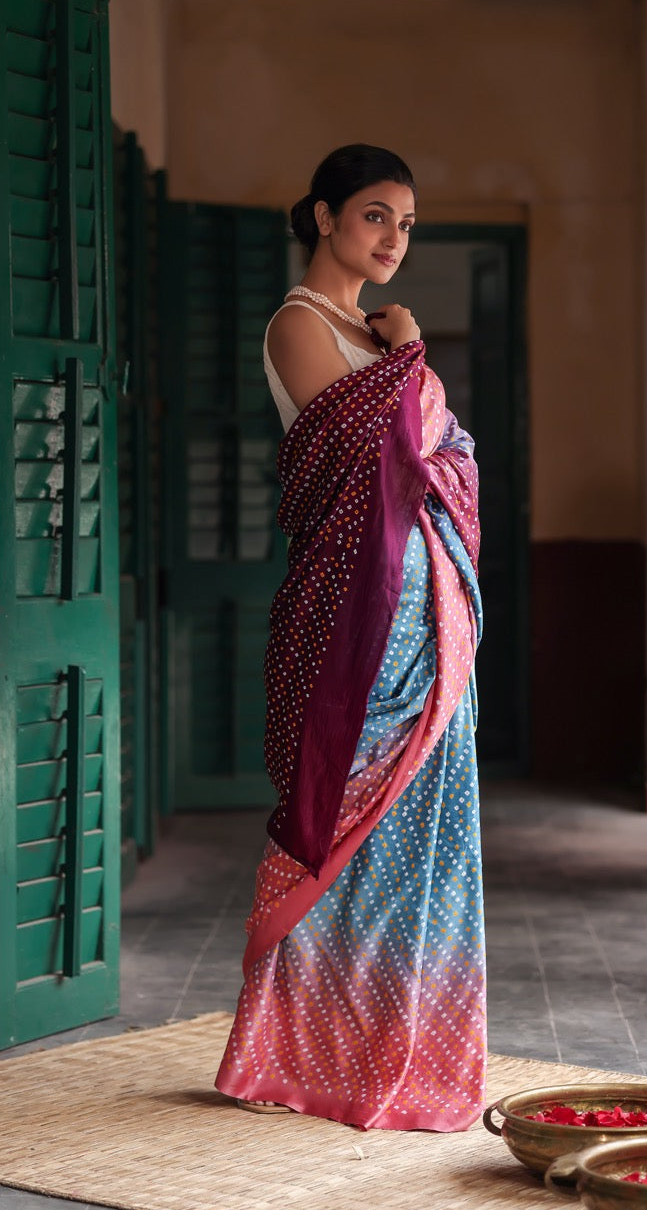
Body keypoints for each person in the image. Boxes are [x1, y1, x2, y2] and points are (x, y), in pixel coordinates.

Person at [215, 143, 486, 1132]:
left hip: (429, 608)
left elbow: (437, 458)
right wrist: (412, 353)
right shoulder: (298, 324)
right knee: (348, 825)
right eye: (375, 215)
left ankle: (405, 1041)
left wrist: (405, 364)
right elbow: (387, 448)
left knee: (421, 836)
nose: (392, 238)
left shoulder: (368, 334)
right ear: (324, 215)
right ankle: (309, 1052)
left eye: (405, 223)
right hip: (353, 616)